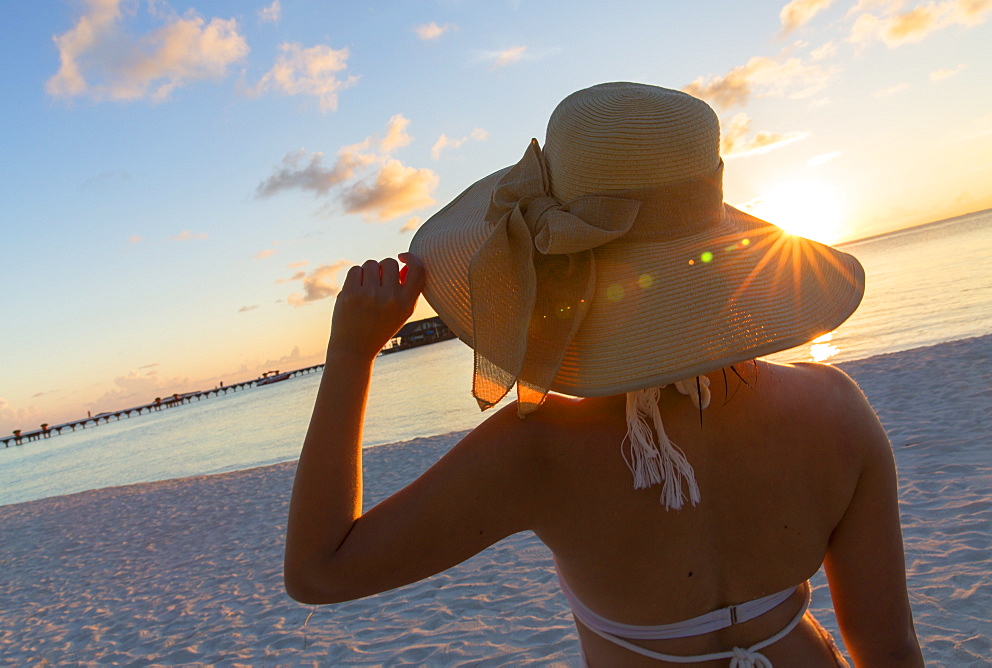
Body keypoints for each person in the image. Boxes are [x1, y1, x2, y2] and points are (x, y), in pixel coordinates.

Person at [284, 83, 923, 666]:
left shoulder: (536, 452)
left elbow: (320, 570)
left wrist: (350, 357)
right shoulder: (835, 410)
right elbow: (888, 647)